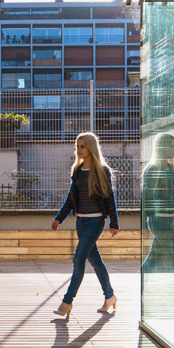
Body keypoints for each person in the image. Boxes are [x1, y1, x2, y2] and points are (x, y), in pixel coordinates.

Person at [51, 131, 119, 317]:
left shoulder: (102, 171)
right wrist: (59, 218)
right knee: (95, 260)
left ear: (91, 148)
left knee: (78, 259)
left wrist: (114, 222)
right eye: (77, 147)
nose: (79, 150)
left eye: (82, 146)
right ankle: (110, 296)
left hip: (95, 221)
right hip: (80, 222)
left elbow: (110, 198)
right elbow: (71, 199)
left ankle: (66, 302)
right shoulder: (77, 171)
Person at [142, 133, 174, 272]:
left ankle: (142, 275)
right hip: (158, 220)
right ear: (163, 147)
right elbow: (145, 198)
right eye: (172, 146)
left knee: (154, 257)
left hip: (167, 221)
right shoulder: (152, 169)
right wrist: (143, 224)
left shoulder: (170, 169)